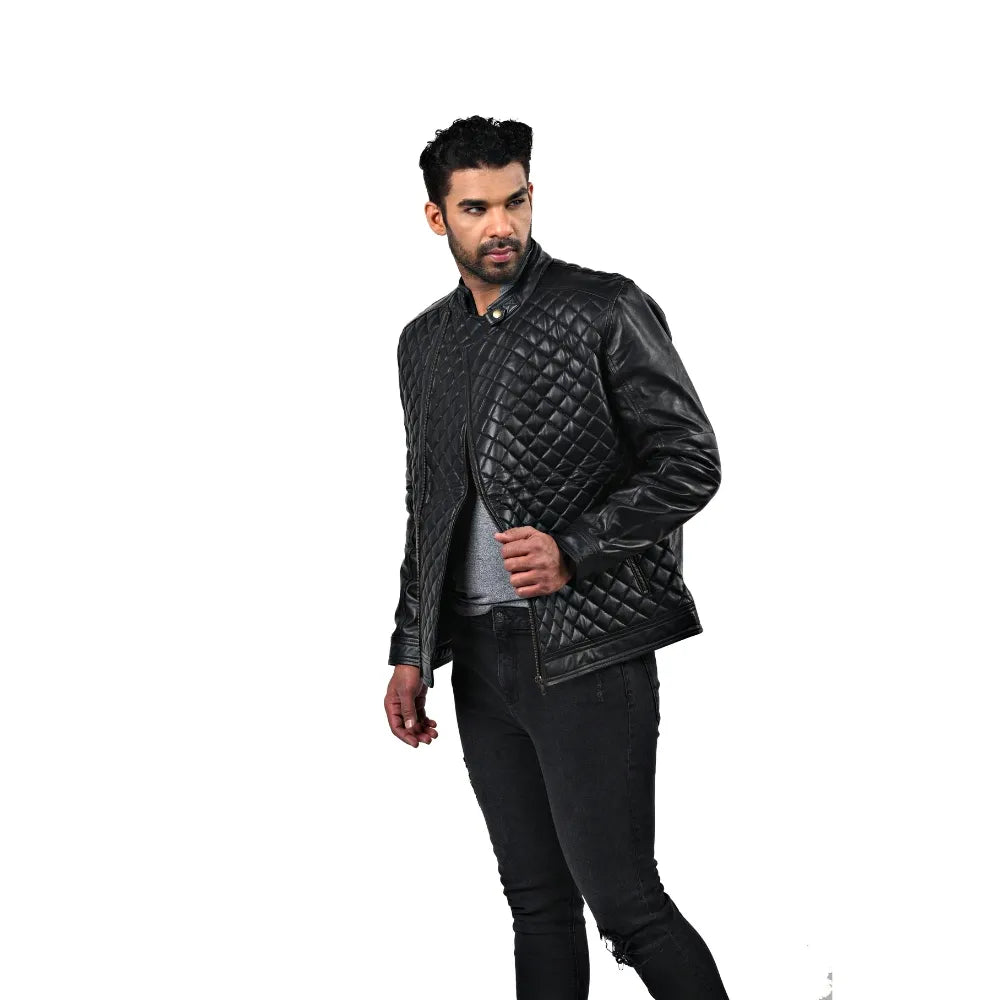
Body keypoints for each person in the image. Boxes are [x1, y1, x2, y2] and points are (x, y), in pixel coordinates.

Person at [383, 115, 730, 1000]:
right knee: (535, 905)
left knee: (629, 906)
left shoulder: (604, 308)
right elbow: (428, 509)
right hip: (479, 660)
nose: (500, 225)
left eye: (516, 200)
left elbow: (690, 461)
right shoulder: (423, 344)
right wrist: (411, 648)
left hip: (587, 655)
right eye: (476, 208)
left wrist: (575, 549)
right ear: (437, 217)